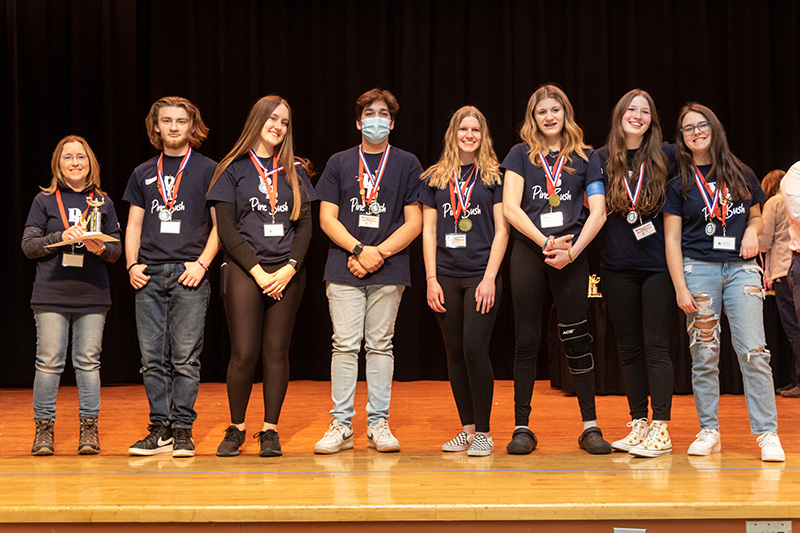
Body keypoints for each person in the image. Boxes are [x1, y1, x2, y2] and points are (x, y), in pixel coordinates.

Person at [663, 103, 785, 462]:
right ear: (682, 138)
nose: (696, 132)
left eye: (702, 125)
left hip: (741, 270)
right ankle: (709, 430)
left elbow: (757, 215)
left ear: (714, 129)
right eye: (688, 128)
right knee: (704, 354)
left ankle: (767, 433)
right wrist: (680, 287)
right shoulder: (678, 180)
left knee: (754, 352)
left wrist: (751, 229)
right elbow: (671, 240)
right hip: (697, 269)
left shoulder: (739, 170)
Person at [501, 84, 609, 455]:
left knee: (578, 339)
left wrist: (573, 251)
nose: (549, 117)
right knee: (527, 339)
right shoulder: (519, 155)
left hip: (572, 255)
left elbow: (599, 211)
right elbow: (510, 208)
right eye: (541, 111)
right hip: (530, 253)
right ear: (533, 118)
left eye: (555, 110)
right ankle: (522, 427)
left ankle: (590, 427)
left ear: (566, 114)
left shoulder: (586, 156)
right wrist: (544, 242)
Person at [314, 88, 422, 454]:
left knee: (380, 346)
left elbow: (414, 222)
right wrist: (359, 250)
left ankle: (378, 424)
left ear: (392, 122)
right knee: (344, 346)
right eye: (370, 114)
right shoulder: (339, 162)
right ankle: (341, 425)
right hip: (344, 267)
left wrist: (379, 254)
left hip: (389, 269)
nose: (377, 120)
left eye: (384, 114)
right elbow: (326, 218)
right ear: (358, 122)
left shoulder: (407, 163)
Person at [208, 95, 315, 457]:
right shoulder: (232, 169)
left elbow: (304, 229)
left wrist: (288, 269)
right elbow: (226, 229)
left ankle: (269, 430)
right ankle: (236, 428)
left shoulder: (295, 171)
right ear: (257, 120)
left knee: (276, 351)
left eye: (285, 122)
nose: (278, 127)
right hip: (243, 270)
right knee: (244, 351)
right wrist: (256, 271)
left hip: (287, 272)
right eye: (272, 119)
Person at [124, 97, 220, 457]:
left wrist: (202, 265)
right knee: (152, 359)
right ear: (157, 127)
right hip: (148, 276)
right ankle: (159, 428)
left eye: (181, 121)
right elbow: (134, 224)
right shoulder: (142, 172)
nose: (175, 127)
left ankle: (182, 429)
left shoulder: (210, 169)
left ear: (192, 126)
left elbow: (220, 226)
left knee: (185, 359)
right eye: (167, 121)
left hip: (188, 275)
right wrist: (132, 265)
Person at [588, 89, 677, 457]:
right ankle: (639, 421)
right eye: (631, 109)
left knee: (656, 347)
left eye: (645, 111)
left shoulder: (668, 155)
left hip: (658, 268)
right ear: (619, 115)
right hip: (617, 266)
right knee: (630, 349)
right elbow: (592, 209)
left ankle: (661, 428)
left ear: (652, 119)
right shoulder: (601, 158)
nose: (637, 115)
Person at [22, 135, 121, 455]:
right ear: (58, 164)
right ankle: (43, 431)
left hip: (92, 295)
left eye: (81, 157)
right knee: (49, 363)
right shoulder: (45, 201)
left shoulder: (102, 202)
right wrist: (61, 237)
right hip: (51, 293)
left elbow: (117, 251)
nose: (75, 162)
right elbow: (28, 247)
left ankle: (89, 430)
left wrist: (102, 247)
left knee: (88, 363)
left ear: (91, 162)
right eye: (68, 157)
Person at [421, 106, 509, 457]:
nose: (469, 135)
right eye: (463, 129)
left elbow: (503, 230)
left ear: (483, 135)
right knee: (454, 353)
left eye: (475, 129)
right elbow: (428, 231)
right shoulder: (434, 178)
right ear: (453, 134)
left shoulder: (495, 177)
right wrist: (430, 278)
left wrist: (489, 278)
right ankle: (467, 429)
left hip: (480, 276)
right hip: (445, 275)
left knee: (474, 348)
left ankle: (485, 432)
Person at [758, 169, 800, 398]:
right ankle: (795, 379)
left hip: (785, 269)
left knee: (794, 329)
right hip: (792, 264)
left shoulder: (774, 202)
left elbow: (763, 241)